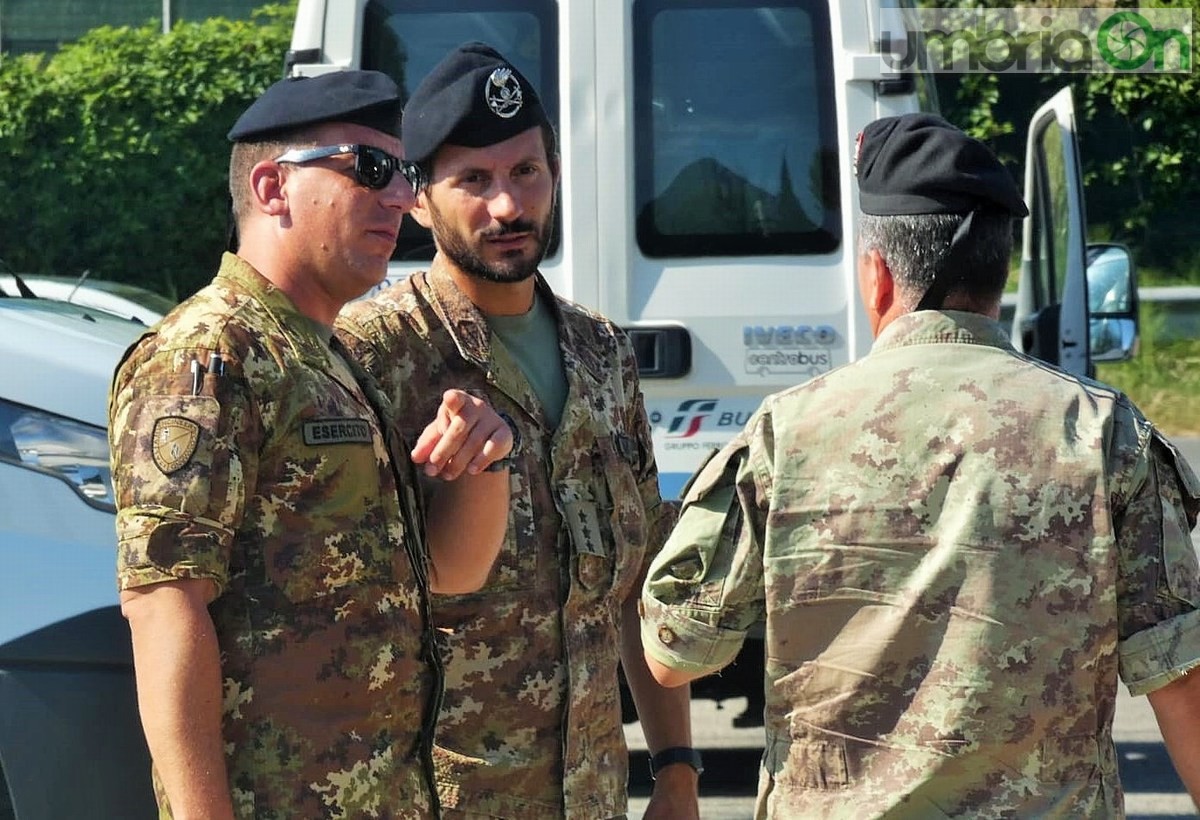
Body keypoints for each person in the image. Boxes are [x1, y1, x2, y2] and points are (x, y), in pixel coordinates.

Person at [639, 113, 1200, 817]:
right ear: (1000, 272)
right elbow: (1179, 678)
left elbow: (676, 651)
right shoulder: (1104, 434)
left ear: (876, 278)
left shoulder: (788, 434)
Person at [110, 70, 514, 819]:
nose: (400, 197)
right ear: (272, 187)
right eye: (370, 169)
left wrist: (486, 465)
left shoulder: (329, 360)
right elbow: (163, 604)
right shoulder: (208, 353)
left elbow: (450, 576)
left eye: (406, 174)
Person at [336, 43, 700, 820]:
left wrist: (675, 770)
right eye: (474, 180)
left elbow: (634, 587)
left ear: (556, 175)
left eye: (525, 172)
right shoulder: (373, 355)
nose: (508, 206)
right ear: (419, 198)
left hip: (592, 796)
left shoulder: (601, 353)